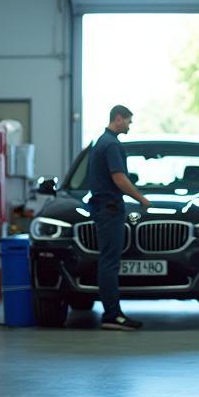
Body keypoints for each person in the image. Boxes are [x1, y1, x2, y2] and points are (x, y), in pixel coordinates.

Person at [87, 105, 150, 331]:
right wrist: (142, 199)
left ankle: (112, 312)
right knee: (110, 263)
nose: (130, 125)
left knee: (107, 261)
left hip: (102, 207)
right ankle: (112, 315)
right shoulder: (112, 144)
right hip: (110, 209)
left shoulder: (100, 142)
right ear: (118, 118)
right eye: (129, 121)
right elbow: (120, 178)